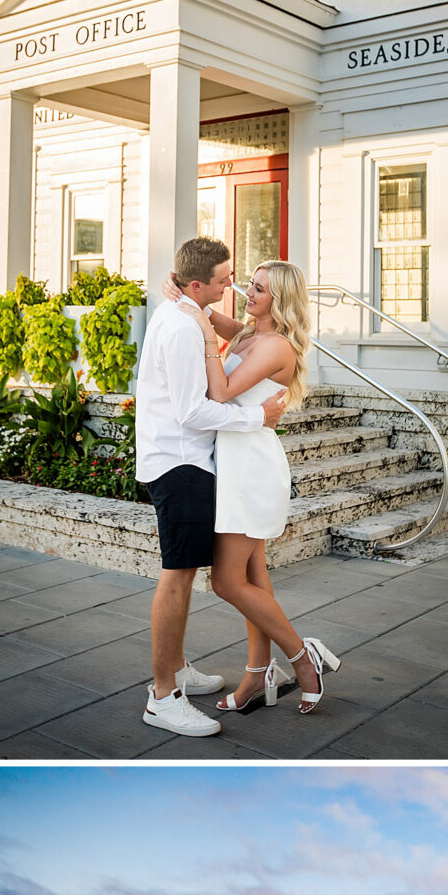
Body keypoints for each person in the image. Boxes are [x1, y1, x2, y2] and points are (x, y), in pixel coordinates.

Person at [172, 258, 341, 717]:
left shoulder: (277, 346)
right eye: (249, 283)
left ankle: (303, 658)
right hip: (231, 462)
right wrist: (184, 298)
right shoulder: (249, 333)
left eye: (260, 288)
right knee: (253, 578)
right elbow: (207, 314)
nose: (249, 292)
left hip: (251, 468)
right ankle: (257, 672)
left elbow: (222, 392)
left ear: (279, 299)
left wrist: (208, 335)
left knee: (227, 581)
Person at [135, 234, 288, 738]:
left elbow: (233, 329)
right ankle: (163, 695)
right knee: (177, 576)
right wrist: (258, 417)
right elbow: (193, 410)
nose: (234, 286)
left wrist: (182, 298)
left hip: (192, 461)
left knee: (188, 575)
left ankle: (177, 670)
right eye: (225, 280)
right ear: (198, 282)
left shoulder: (185, 313)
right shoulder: (182, 328)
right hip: (179, 464)